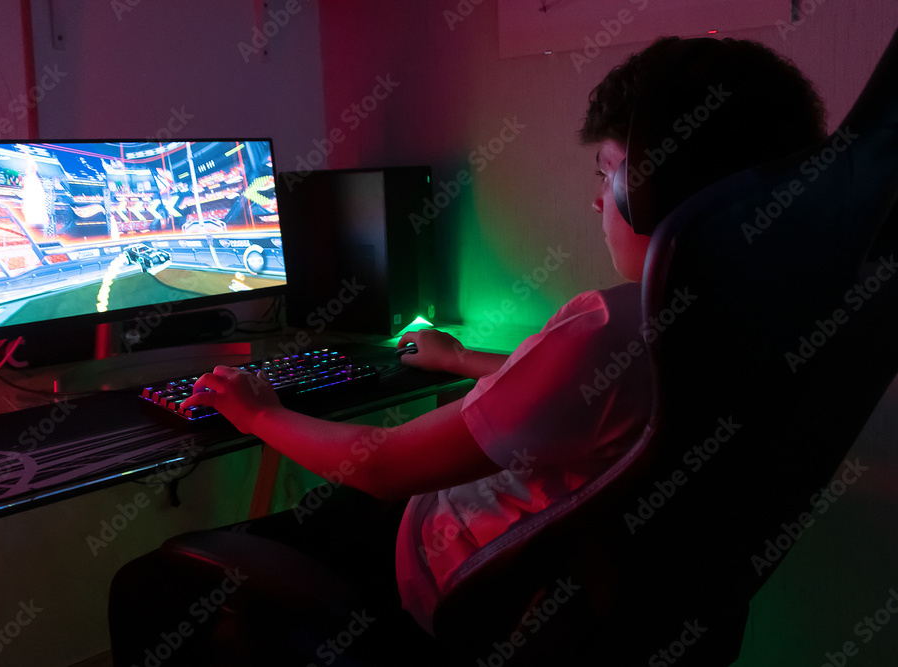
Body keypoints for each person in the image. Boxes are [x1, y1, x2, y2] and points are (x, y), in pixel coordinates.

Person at [109, 36, 826, 666]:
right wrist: (459, 362)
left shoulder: (604, 324)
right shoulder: (765, 313)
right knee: (310, 513)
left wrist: (256, 408)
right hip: (574, 597)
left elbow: (385, 466)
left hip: (450, 574)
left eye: (605, 173)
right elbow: (599, 403)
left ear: (655, 189)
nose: (595, 201)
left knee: (151, 582)